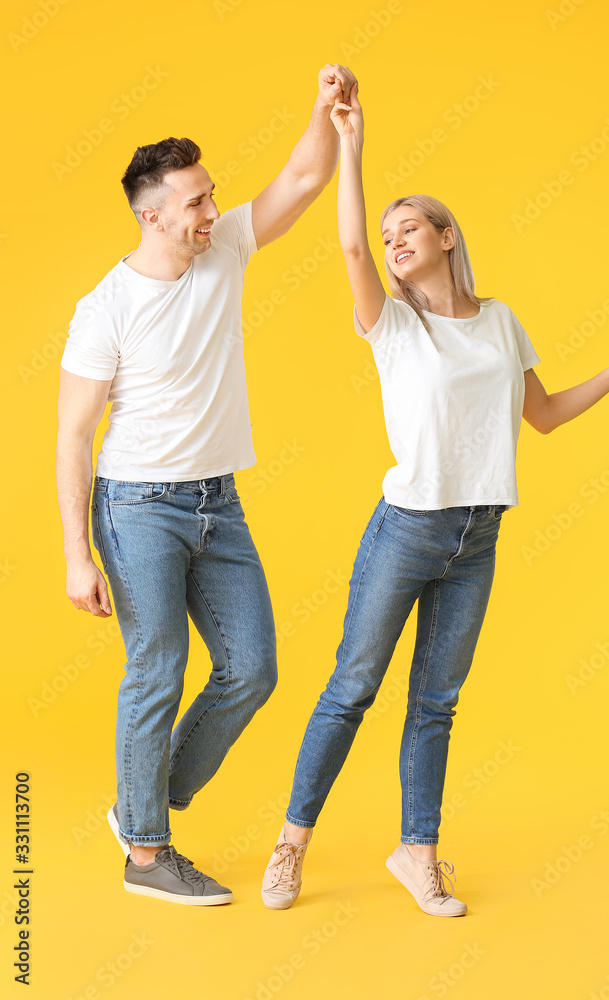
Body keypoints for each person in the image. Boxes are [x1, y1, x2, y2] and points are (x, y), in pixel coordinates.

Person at [260, 83, 609, 916]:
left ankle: (419, 854)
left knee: (436, 704)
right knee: (352, 688)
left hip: (478, 536)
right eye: (388, 234)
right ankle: (290, 846)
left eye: (408, 228)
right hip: (408, 530)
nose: (392, 240)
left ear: (447, 237)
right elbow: (346, 250)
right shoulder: (393, 327)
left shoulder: (499, 321)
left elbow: (545, 416)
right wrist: (353, 144)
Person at [56, 64, 357, 907]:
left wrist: (325, 114)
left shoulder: (224, 247)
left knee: (251, 672)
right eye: (195, 202)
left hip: (216, 503)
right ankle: (147, 853)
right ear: (152, 217)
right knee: (159, 667)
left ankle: (139, 803)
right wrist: (78, 554)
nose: (211, 212)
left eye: (211, 195)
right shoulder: (104, 308)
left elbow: (302, 177)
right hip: (137, 507)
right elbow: (74, 435)